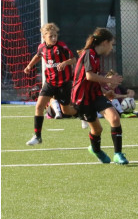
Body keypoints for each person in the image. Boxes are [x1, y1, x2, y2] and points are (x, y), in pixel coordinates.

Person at [71, 28, 128, 164]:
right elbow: (89, 76)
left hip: (95, 95)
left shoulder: (95, 56)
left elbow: (92, 80)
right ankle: (96, 149)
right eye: (111, 44)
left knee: (114, 118)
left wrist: (104, 91)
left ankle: (118, 154)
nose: (112, 48)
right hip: (82, 98)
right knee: (97, 129)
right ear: (105, 43)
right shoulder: (89, 54)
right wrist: (110, 80)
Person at [23, 23, 85, 145]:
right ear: (44, 36)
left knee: (66, 111)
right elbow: (37, 56)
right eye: (51, 36)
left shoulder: (61, 46)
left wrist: (65, 63)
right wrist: (29, 65)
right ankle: (37, 136)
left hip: (64, 84)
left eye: (55, 35)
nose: (54, 38)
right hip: (50, 83)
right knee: (39, 107)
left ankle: (82, 113)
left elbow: (73, 59)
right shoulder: (42, 48)